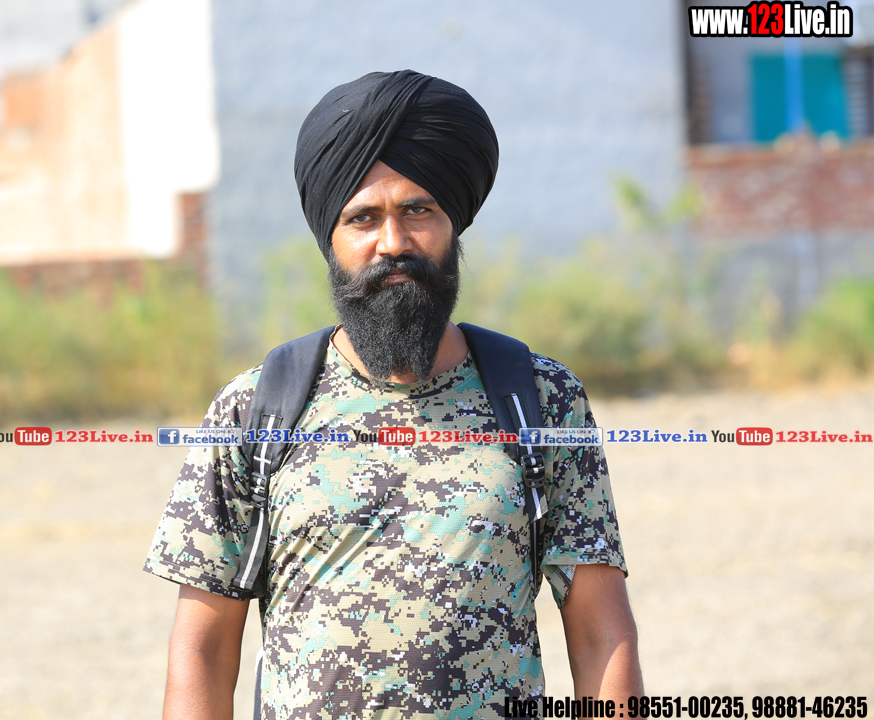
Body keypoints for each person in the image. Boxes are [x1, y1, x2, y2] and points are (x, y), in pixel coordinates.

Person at [145, 69, 643, 719]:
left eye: (418, 210)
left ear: (453, 223)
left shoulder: (541, 401)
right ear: (330, 240)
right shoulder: (254, 411)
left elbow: (602, 634)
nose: (394, 243)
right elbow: (202, 651)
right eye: (363, 218)